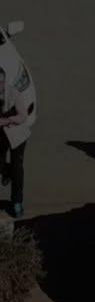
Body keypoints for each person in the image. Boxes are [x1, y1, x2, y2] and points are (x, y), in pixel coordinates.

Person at [0, 67, 31, 218]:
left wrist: (6, 120)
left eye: (1, 81)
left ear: (4, 81)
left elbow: (23, 116)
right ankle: (6, 172)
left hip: (17, 136)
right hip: (1, 135)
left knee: (17, 168)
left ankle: (17, 202)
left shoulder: (14, 93)